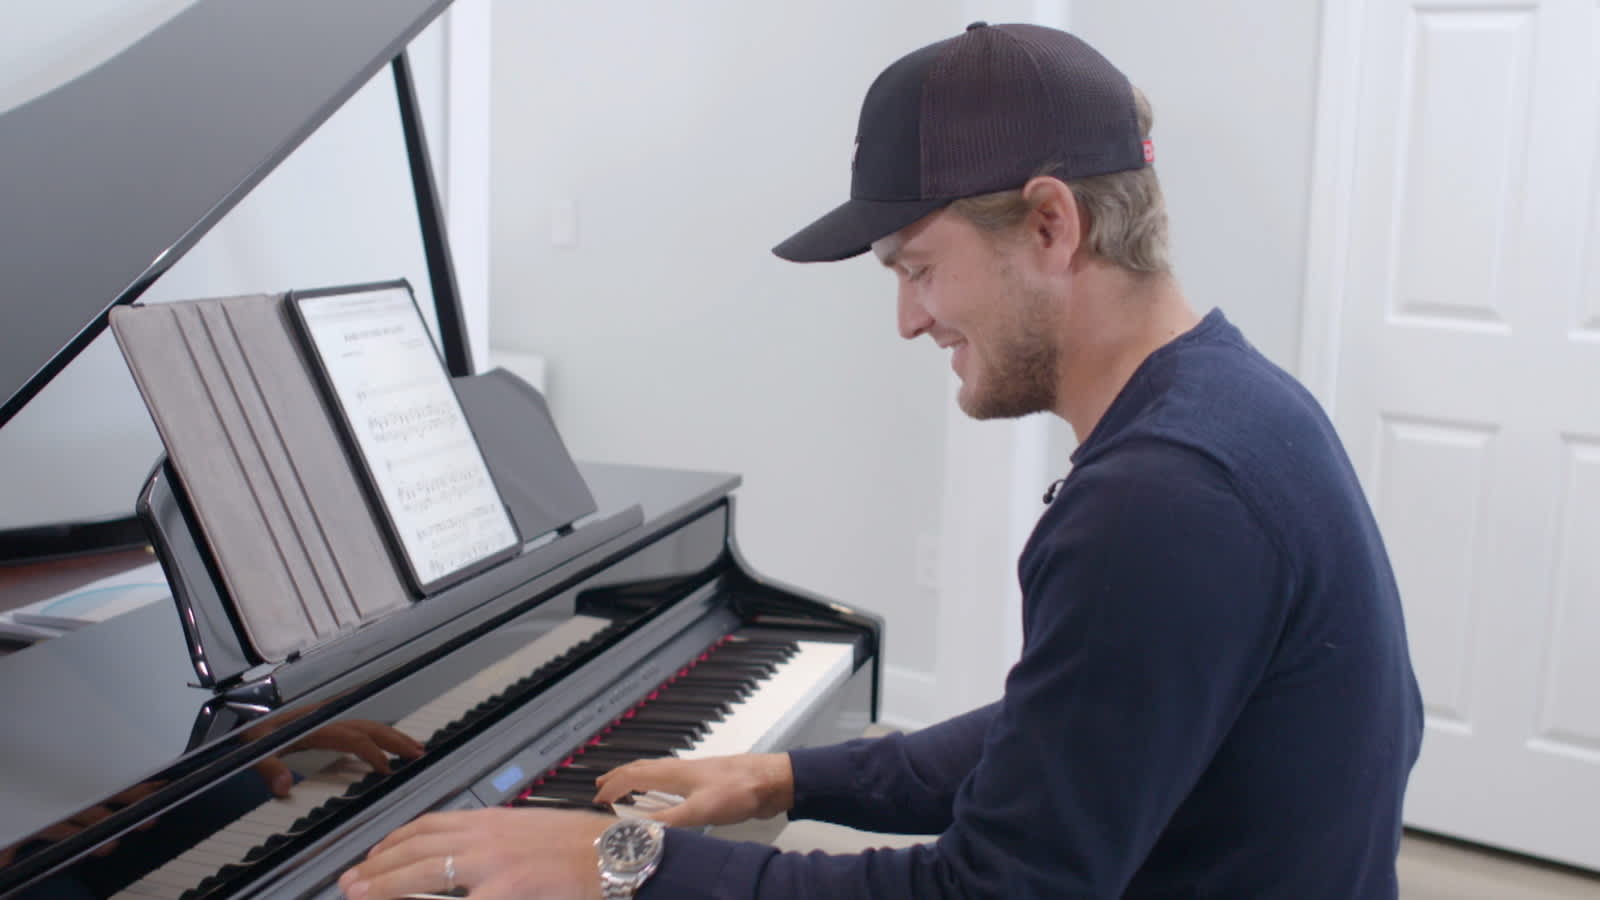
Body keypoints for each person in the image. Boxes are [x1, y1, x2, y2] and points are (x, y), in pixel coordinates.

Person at [339, 21, 1423, 899]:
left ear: (1050, 224)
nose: (909, 320)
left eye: (918, 267)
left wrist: (620, 864)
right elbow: (1082, 723)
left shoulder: (1159, 501)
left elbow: (991, 892)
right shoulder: (1235, 406)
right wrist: (786, 774)